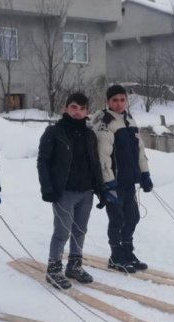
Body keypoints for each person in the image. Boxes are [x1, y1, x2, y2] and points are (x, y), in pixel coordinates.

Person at [37, 92, 106, 289]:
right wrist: (47, 188)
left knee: (80, 230)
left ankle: (74, 266)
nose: (78, 112)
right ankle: (54, 269)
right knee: (62, 231)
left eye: (82, 108)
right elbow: (43, 161)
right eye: (74, 107)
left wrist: (100, 190)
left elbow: (95, 164)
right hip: (64, 192)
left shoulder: (89, 135)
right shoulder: (54, 132)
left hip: (86, 192)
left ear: (87, 112)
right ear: (66, 108)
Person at [91, 84, 154, 273]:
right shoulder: (106, 122)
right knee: (117, 219)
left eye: (122, 100)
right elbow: (103, 157)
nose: (119, 104)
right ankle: (116, 256)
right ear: (108, 101)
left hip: (128, 180)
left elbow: (139, 149)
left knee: (132, 217)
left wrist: (145, 174)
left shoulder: (129, 119)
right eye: (114, 100)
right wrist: (108, 184)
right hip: (114, 181)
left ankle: (127, 252)